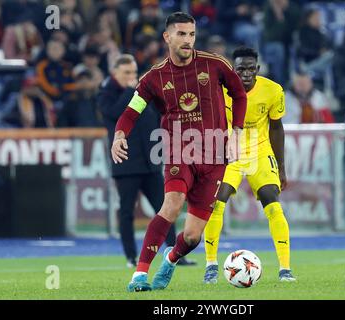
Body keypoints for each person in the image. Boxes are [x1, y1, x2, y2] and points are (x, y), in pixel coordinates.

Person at [112, 12, 247, 292]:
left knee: (193, 235)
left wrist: (236, 132)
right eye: (182, 34)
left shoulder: (215, 64)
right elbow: (130, 112)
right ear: (167, 37)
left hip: (214, 157)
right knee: (171, 204)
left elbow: (239, 94)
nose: (188, 40)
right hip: (179, 153)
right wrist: (119, 135)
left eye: (192, 34)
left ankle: (171, 258)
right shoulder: (154, 78)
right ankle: (139, 275)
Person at [203, 47, 295, 284]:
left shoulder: (273, 91)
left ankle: (285, 269)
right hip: (228, 152)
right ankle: (211, 266)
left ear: (258, 69)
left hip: (260, 151)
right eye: (240, 68)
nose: (245, 73)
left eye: (250, 68)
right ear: (233, 69)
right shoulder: (218, 90)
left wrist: (281, 167)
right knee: (215, 203)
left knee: (273, 203)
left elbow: (276, 128)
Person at [98, 54, 195, 267]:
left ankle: (175, 255)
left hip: (150, 163)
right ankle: (131, 258)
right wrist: (132, 91)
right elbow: (113, 114)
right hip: (126, 163)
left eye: (133, 73)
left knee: (166, 207)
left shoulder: (143, 93)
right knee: (126, 212)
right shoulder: (107, 93)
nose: (132, 77)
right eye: (126, 73)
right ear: (115, 74)